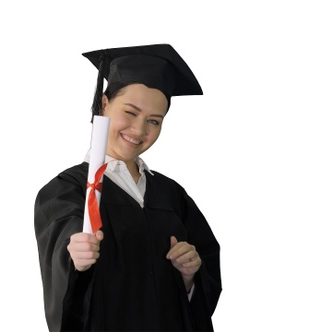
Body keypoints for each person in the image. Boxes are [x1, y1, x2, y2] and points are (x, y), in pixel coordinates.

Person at [34, 43, 222, 331]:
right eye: (130, 112)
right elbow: (64, 281)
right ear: (104, 103)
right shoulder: (67, 191)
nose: (139, 130)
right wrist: (75, 260)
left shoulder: (172, 195)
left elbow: (202, 283)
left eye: (154, 121)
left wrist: (189, 276)